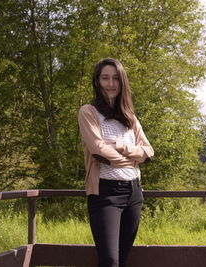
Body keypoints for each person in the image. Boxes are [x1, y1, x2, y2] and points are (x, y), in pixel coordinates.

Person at [78, 58, 154, 267]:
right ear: (97, 81)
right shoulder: (88, 112)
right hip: (105, 194)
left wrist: (122, 147)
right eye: (105, 78)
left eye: (115, 79)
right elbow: (98, 151)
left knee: (122, 258)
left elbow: (148, 151)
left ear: (122, 82)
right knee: (110, 260)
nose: (111, 84)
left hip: (134, 193)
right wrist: (132, 161)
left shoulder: (130, 116)